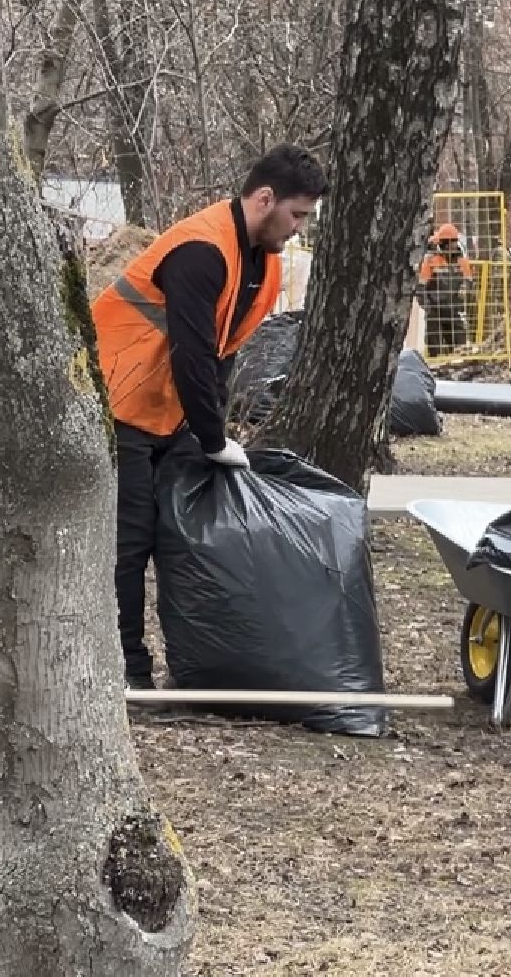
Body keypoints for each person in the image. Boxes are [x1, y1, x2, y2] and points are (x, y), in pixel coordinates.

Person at [91, 144, 328, 689]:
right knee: (128, 544)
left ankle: (178, 661)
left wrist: (206, 429)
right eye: (296, 215)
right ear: (264, 199)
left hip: (163, 414)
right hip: (118, 406)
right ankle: (124, 672)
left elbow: (222, 354)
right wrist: (214, 437)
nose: (298, 228)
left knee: (170, 536)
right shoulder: (201, 250)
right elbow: (191, 353)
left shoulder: (260, 262)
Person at [418, 223, 473, 355]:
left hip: (453, 310)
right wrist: (428, 307)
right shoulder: (431, 260)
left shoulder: (462, 262)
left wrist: (461, 301)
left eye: (454, 241)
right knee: (435, 349)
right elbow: (421, 287)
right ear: (443, 243)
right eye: (451, 242)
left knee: (460, 345)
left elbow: (468, 284)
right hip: (434, 310)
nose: (453, 245)